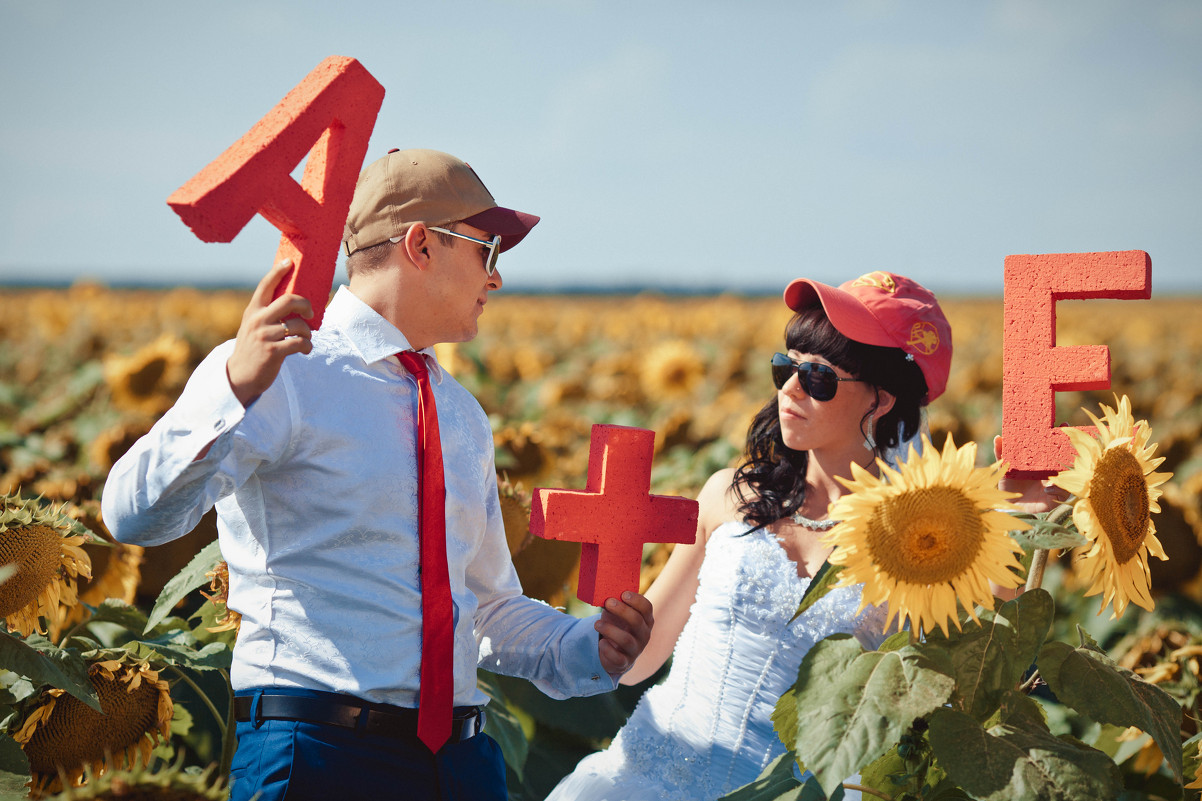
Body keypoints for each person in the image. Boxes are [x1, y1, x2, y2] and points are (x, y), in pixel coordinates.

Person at [101, 148, 653, 801]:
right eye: (488, 249)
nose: (497, 278)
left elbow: (486, 608)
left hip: (462, 762)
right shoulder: (284, 370)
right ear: (421, 244)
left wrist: (589, 645)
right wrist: (231, 388)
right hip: (320, 756)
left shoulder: (459, 412)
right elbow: (131, 512)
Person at [547, 271, 951, 801]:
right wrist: (613, 637)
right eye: (785, 367)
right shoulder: (726, 496)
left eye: (819, 378)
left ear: (880, 401)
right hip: (645, 780)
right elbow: (639, 662)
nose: (789, 389)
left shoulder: (922, 545)